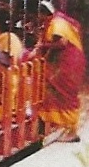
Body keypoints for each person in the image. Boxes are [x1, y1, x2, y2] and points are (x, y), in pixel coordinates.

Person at [36, 8, 86, 143]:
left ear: (42, 13)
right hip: (72, 61)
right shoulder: (61, 20)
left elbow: (62, 43)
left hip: (68, 63)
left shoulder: (57, 23)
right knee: (63, 93)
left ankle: (72, 130)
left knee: (65, 93)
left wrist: (42, 45)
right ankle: (68, 127)